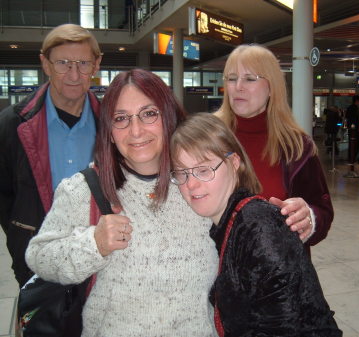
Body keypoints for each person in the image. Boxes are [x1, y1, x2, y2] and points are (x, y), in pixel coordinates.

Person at [25, 69, 217, 336]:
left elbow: (242, 231)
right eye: (121, 118)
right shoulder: (84, 190)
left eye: (149, 114)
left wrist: (287, 217)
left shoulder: (200, 181)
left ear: (169, 117)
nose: (136, 130)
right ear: (110, 131)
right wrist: (94, 244)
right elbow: (39, 257)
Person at [170, 112, 342, 336]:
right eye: (182, 173)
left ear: (234, 163)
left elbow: (284, 327)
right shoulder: (225, 224)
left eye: (203, 170)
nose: (191, 184)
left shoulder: (258, 227)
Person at [0, 24, 102, 287]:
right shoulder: (12, 124)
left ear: (96, 65)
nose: (74, 74)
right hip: (36, 263)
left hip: (99, 259)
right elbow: (4, 195)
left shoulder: (113, 122)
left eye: (83, 63)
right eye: (63, 63)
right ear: (45, 64)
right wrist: (20, 237)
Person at [215, 44, 333, 253]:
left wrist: (308, 218)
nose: (238, 86)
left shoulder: (296, 146)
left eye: (250, 79)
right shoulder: (208, 136)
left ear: (272, 87)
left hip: (275, 275)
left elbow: (322, 209)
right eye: (232, 79)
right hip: (212, 273)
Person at [345, 94, 359, 161]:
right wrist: (358, 127)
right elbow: (356, 119)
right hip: (354, 130)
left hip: (351, 129)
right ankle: (352, 158)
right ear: (357, 101)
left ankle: (351, 157)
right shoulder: (355, 108)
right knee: (356, 143)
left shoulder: (349, 108)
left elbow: (347, 117)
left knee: (351, 143)